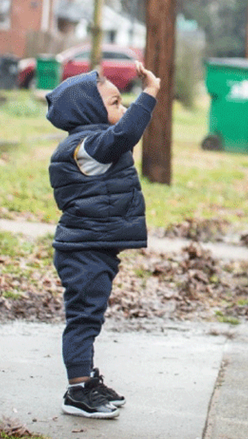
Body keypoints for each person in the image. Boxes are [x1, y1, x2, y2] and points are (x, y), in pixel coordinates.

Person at [44, 61, 161, 419]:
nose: (123, 109)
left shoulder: (91, 145)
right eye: (114, 104)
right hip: (83, 251)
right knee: (83, 319)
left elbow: (120, 134)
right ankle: (77, 390)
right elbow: (125, 134)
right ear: (88, 111)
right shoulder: (86, 149)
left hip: (93, 248)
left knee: (90, 316)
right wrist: (150, 94)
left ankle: (88, 379)